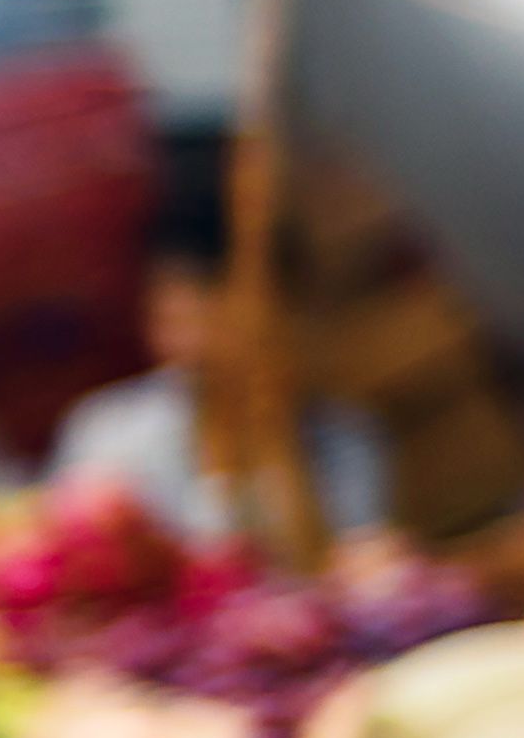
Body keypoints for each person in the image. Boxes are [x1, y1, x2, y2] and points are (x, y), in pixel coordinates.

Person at [48, 170, 391, 551]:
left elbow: (340, 582)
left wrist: (277, 445)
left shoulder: (347, 444)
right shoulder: (108, 439)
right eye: (174, 317)